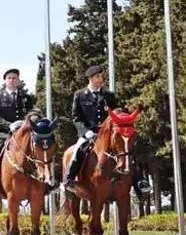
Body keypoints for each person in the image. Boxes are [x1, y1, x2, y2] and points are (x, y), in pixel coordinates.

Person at [64, 65, 151, 194]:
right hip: (89, 133)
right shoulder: (80, 95)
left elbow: (117, 113)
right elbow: (76, 118)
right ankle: (70, 179)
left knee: (126, 149)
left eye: (101, 76)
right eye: (97, 76)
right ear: (91, 78)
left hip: (109, 133)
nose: (101, 79)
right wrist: (85, 131)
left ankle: (138, 182)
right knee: (78, 150)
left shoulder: (109, 95)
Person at [0, 68, 36, 195]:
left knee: (40, 148)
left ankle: (44, 181)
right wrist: (9, 125)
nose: (12, 80)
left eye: (14, 78)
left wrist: (26, 122)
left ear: (18, 80)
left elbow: (32, 112)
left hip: (23, 132)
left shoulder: (26, 97)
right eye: (9, 78)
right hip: (2, 132)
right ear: (5, 81)